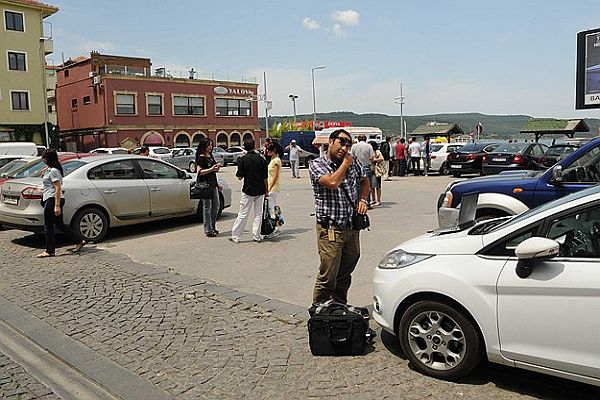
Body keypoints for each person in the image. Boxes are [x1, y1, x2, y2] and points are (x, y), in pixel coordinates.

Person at [309, 129, 370, 305]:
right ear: (331, 141)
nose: (345, 147)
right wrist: (345, 164)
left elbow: (364, 180)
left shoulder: (354, 162)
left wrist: (363, 200)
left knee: (345, 274)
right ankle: (319, 312)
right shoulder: (317, 164)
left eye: (348, 144)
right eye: (341, 142)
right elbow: (332, 183)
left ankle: (339, 310)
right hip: (330, 229)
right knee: (328, 275)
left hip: (351, 227)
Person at [37, 149, 86, 258]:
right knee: (60, 224)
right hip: (49, 198)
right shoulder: (50, 169)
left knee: (48, 225)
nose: (42, 159)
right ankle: (79, 240)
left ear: (48, 159)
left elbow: (58, 188)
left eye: (44, 157)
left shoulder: (54, 171)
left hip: (53, 199)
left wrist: (57, 205)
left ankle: (50, 250)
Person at [230, 138, 268, 243]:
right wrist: (267, 190)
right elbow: (265, 177)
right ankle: (256, 235)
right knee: (258, 214)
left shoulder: (243, 159)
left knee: (243, 213)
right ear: (254, 146)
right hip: (260, 189)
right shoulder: (261, 159)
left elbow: (239, 177)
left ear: (244, 147)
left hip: (248, 189)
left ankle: (236, 236)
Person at [195, 138, 221, 237]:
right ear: (204, 146)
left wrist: (218, 184)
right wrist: (211, 169)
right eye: (208, 145)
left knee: (216, 205)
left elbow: (213, 172)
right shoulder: (201, 158)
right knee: (207, 207)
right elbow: (199, 172)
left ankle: (212, 226)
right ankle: (208, 229)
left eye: (211, 145)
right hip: (205, 185)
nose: (210, 147)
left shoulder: (210, 156)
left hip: (213, 184)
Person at [350, 135, 374, 204]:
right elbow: (371, 157)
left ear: (358, 139)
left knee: (356, 185)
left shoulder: (354, 146)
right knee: (367, 184)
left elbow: (351, 156)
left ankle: (357, 201)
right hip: (366, 166)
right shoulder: (369, 146)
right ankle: (367, 201)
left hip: (356, 167)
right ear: (365, 139)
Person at [266, 143, 282, 237]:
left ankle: (274, 229)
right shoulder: (272, 160)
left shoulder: (276, 160)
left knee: (271, 209)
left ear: (274, 150)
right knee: (273, 208)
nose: (267, 151)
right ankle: (276, 227)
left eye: (269, 150)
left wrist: (269, 188)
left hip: (273, 187)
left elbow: (275, 176)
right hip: (270, 186)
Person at [371, 141, 385, 206]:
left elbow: (382, 158)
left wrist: (374, 160)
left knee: (377, 186)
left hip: (376, 171)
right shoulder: (370, 152)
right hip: (371, 170)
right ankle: (373, 199)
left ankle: (378, 200)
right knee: (372, 186)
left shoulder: (377, 151)